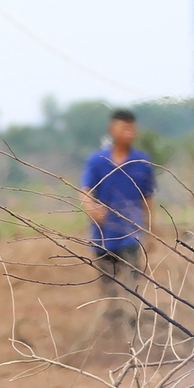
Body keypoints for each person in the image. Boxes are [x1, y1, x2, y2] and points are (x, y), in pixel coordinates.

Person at [80, 108, 156, 337]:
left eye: (131, 128)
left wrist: (149, 231)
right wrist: (92, 209)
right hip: (103, 236)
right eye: (124, 128)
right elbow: (84, 192)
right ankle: (112, 328)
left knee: (133, 284)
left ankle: (133, 327)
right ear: (112, 130)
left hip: (132, 233)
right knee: (109, 286)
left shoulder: (141, 162)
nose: (128, 133)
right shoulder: (97, 161)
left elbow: (148, 198)